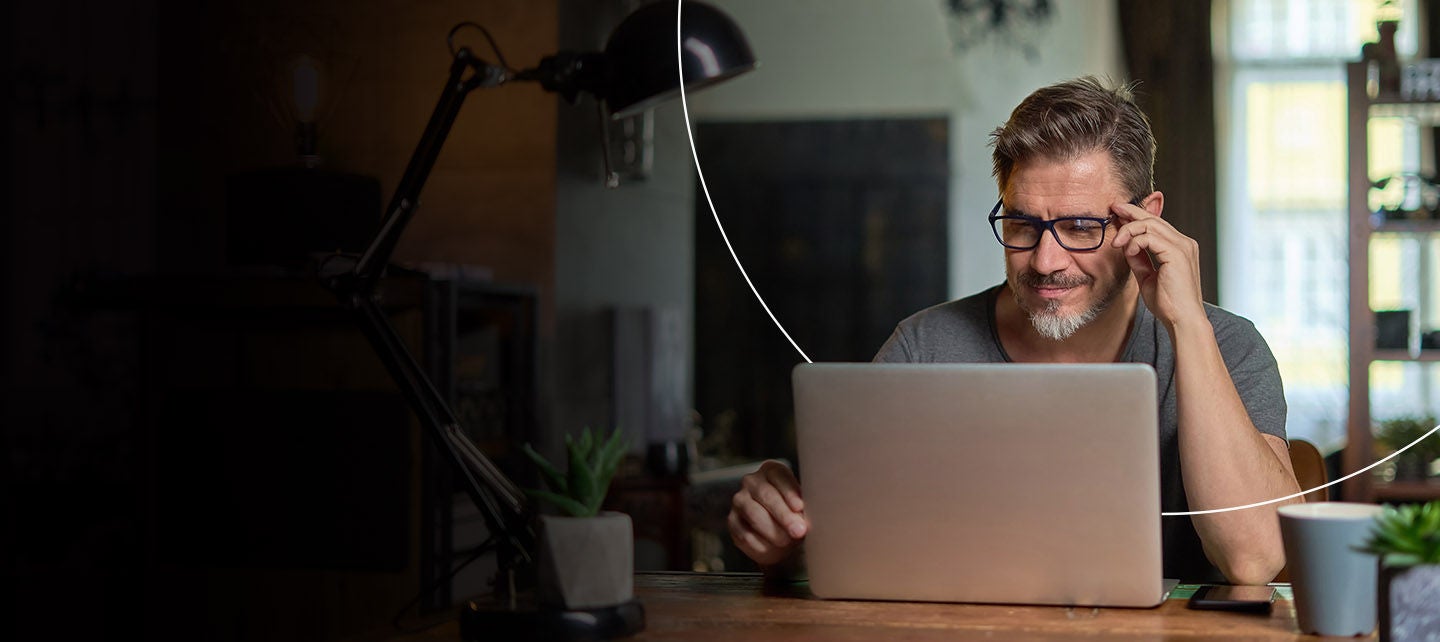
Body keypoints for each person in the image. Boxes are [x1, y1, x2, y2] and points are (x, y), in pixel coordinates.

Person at [727, 76, 1302, 585]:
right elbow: (848, 546)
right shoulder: (923, 349)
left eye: (1080, 227)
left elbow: (1251, 560)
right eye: (1022, 224)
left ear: (1146, 218)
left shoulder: (1225, 344)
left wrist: (1187, 325)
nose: (1046, 260)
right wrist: (785, 539)